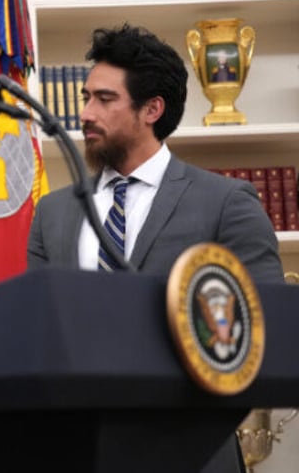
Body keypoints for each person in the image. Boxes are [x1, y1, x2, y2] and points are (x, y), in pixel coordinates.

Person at [26, 24, 284, 472]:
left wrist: (190, 434)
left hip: (192, 454)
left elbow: (264, 335)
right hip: (76, 453)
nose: (85, 113)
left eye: (104, 100)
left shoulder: (225, 203)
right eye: (86, 97)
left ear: (152, 109)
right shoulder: (52, 213)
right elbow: (37, 333)